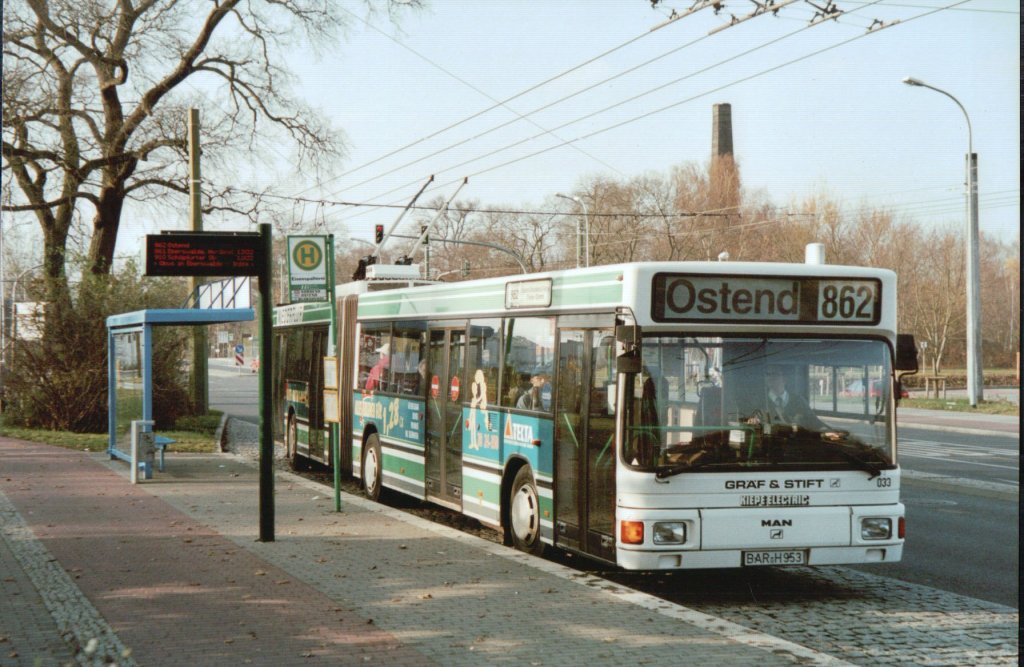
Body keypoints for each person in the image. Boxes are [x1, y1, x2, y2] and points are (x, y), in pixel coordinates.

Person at [750, 365, 835, 434]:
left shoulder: (799, 401)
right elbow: (750, 424)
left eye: (775, 374)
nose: (771, 377)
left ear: (785, 378)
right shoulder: (758, 401)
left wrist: (831, 432)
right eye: (768, 374)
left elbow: (815, 422)